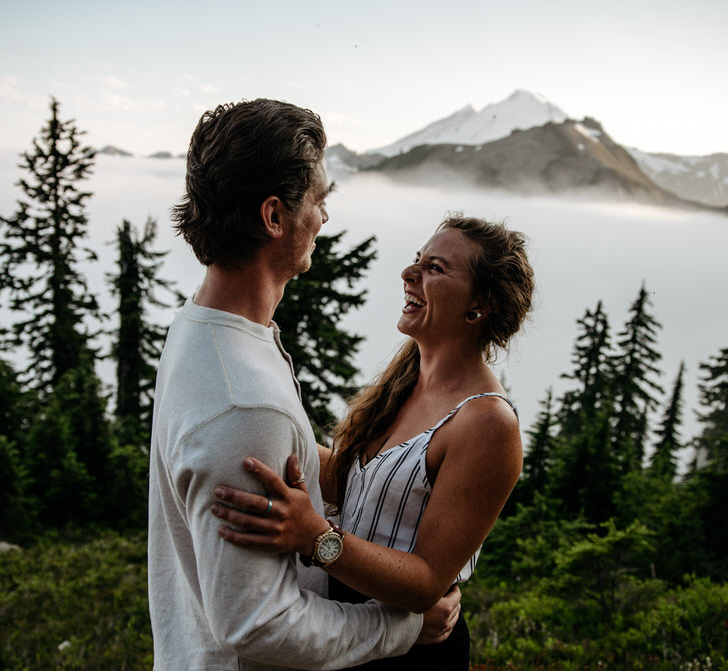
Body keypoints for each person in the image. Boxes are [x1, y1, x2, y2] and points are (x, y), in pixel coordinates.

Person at [148, 99, 460, 671]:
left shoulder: (200, 328)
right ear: (274, 216)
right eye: (318, 202)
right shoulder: (242, 399)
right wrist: (401, 626)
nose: (322, 219)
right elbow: (259, 624)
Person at [211, 215, 534, 668]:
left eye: (435, 268)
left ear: (479, 305)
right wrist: (254, 421)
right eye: (417, 261)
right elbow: (351, 480)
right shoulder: (406, 379)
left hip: (412, 649)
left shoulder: (487, 422)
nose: (410, 273)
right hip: (350, 623)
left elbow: (425, 582)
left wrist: (316, 537)